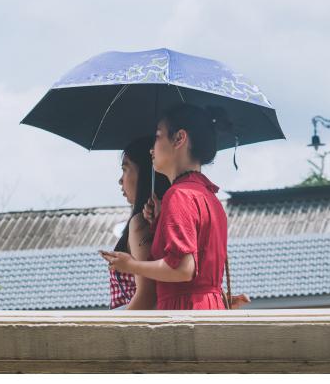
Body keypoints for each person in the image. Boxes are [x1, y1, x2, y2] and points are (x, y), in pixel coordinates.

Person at [102, 104, 248, 310]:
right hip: (210, 309)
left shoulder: (178, 195)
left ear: (179, 138)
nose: (152, 149)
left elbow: (183, 269)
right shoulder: (208, 195)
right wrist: (161, 221)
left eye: (158, 137)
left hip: (184, 312)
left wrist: (131, 265)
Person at [110, 137, 170, 310]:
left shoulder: (140, 224)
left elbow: (147, 294)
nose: (120, 180)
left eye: (125, 169)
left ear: (145, 172)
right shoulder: (158, 220)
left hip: (135, 328)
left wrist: (116, 333)